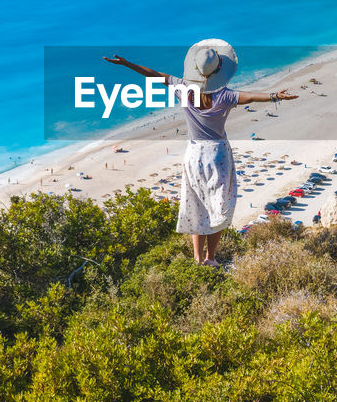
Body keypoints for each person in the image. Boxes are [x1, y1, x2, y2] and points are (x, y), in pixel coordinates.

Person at [105, 40, 297, 267]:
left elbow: (155, 75)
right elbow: (252, 96)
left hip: (194, 154)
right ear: (218, 71)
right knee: (219, 207)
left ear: (195, 71)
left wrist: (127, 64)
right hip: (218, 156)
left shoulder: (183, 89)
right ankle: (211, 258)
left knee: (196, 205)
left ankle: (197, 259)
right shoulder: (225, 96)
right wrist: (275, 96)